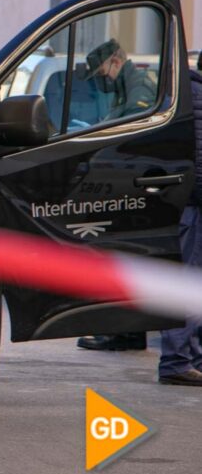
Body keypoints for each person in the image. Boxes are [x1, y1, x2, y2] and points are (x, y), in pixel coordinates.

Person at [76, 39, 158, 352]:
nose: (102, 80)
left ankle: (123, 333)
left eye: (101, 73)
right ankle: (128, 332)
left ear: (114, 63)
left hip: (133, 186)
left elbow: (132, 134)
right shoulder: (128, 88)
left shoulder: (138, 90)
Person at [157, 54, 202, 385]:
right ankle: (176, 361)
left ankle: (187, 357)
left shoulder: (186, 95)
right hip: (193, 205)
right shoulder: (195, 99)